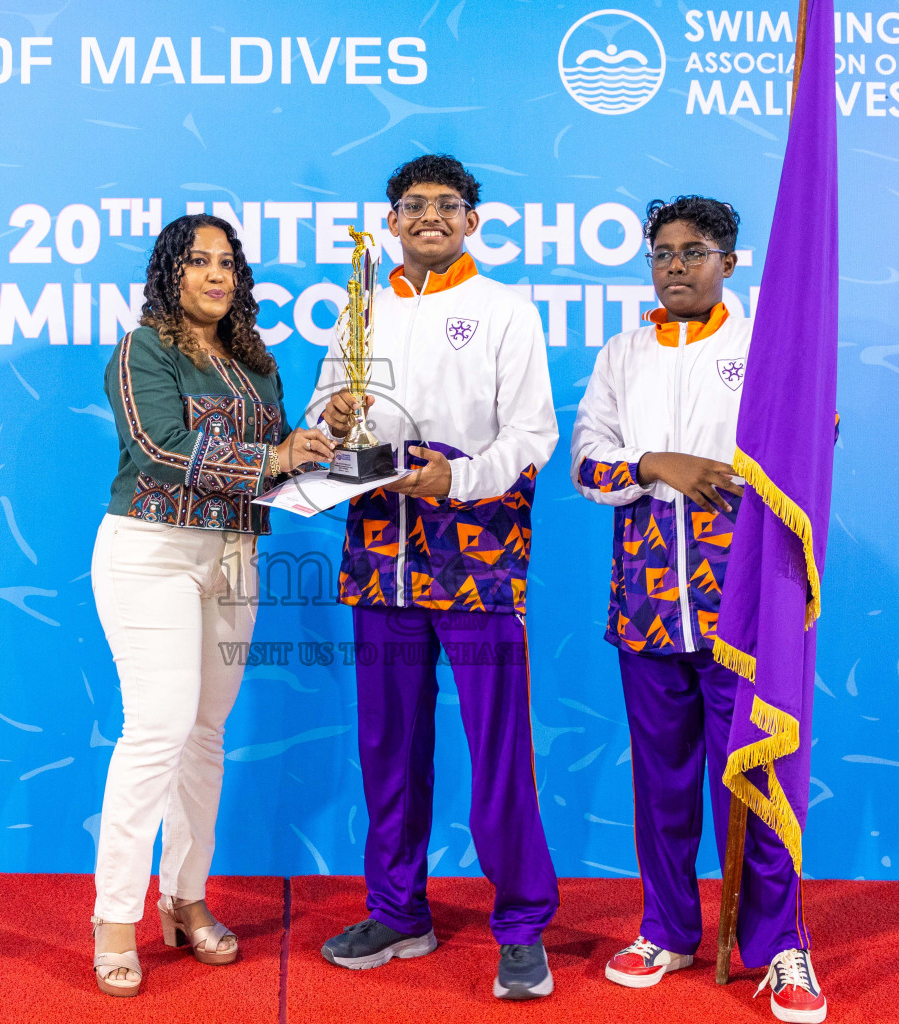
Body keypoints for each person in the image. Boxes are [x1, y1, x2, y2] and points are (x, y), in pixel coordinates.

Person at [569, 196, 826, 1023]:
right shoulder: (624, 353)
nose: (676, 265)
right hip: (646, 607)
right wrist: (657, 462)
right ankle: (668, 927)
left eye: (695, 251)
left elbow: (810, 447)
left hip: (742, 614)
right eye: (662, 252)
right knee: (663, 781)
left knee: (755, 777)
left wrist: (745, 472)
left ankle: (780, 945)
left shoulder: (765, 349)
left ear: (731, 262)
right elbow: (586, 465)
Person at [312, 155, 561, 1001]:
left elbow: (532, 436)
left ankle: (523, 923)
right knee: (387, 746)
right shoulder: (361, 309)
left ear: (471, 220)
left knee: (497, 750)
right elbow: (324, 413)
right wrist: (332, 415)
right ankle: (397, 909)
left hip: (478, 564)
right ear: (390, 220)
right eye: (411, 204)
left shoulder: (503, 311)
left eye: (446, 205)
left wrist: (456, 480)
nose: (428, 216)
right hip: (380, 562)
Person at [89, 214, 334, 997]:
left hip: (234, 558)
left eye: (227, 263)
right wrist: (274, 455)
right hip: (151, 552)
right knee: (156, 728)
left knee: (203, 736)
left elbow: (275, 466)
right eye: (197, 261)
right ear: (170, 272)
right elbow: (160, 449)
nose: (216, 274)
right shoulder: (143, 350)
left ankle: (185, 897)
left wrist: (328, 458)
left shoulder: (256, 364)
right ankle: (114, 917)